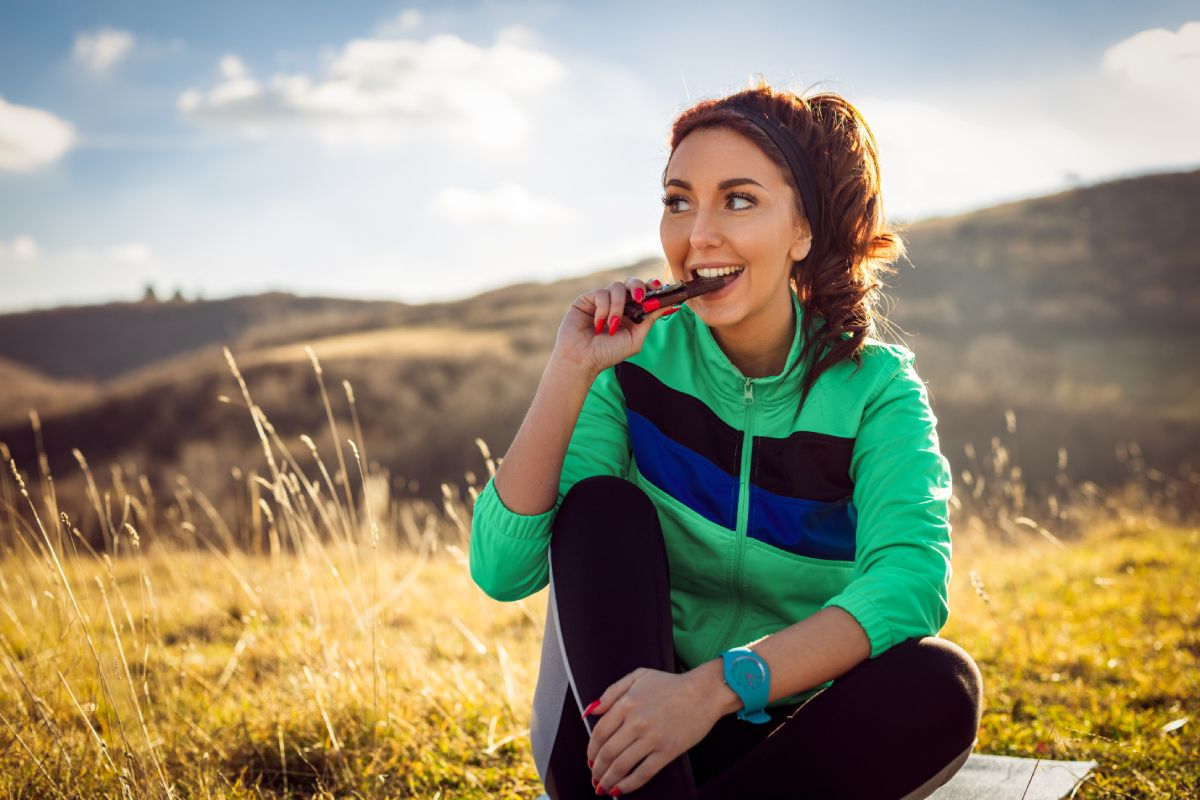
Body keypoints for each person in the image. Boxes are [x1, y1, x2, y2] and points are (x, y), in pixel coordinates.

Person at [468, 79, 984, 799]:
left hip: (773, 736)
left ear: (803, 230)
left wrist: (711, 691)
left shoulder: (876, 391)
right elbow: (501, 569)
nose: (697, 235)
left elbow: (909, 584)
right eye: (678, 201)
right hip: (614, 735)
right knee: (599, 511)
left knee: (942, 684)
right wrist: (571, 368)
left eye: (738, 200)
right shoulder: (633, 362)